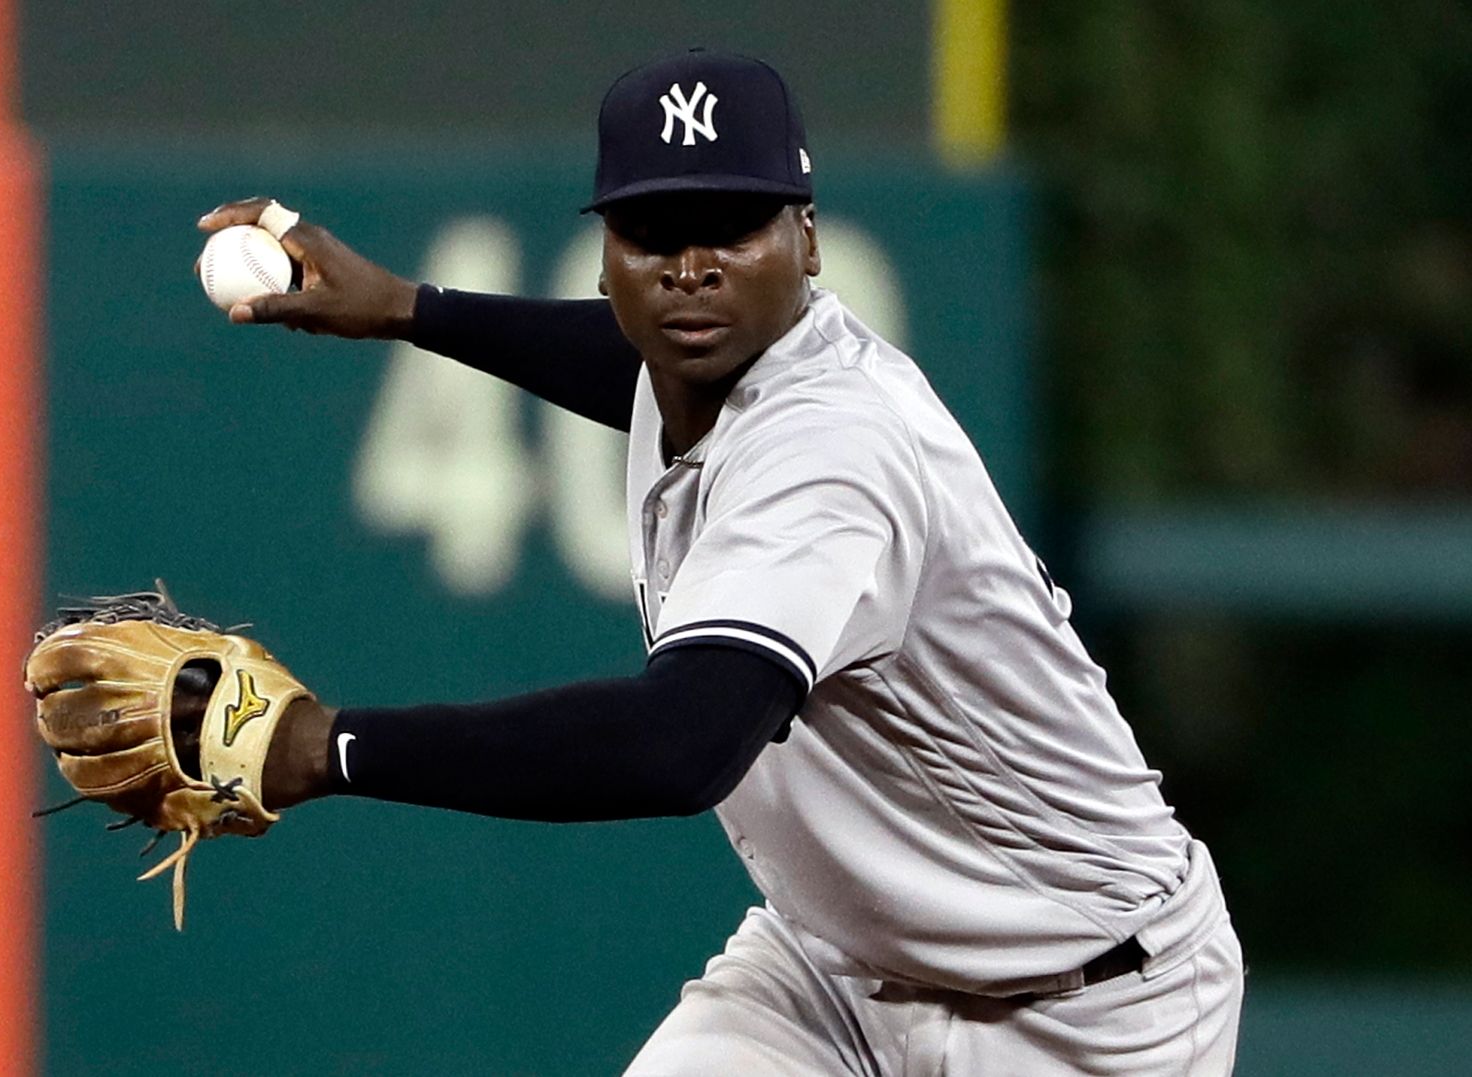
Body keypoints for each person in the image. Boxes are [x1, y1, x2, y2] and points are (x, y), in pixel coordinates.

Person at [198, 49, 1243, 1076]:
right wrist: (409, 309)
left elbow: (677, 745)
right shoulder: (694, 360)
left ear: (808, 242)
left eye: (733, 231)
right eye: (652, 234)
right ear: (607, 256)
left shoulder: (834, 451)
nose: (691, 269)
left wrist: (324, 748)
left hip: (1085, 1010)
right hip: (833, 974)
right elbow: (629, 360)